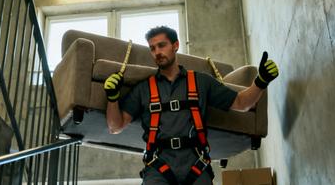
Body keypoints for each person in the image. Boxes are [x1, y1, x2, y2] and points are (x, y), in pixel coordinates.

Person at [104, 26, 279, 185]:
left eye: (162, 45)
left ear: (176, 45)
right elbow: (115, 126)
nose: (157, 52)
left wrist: (261, 81)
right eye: (152, 48)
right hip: (158, 165)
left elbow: (241, 103)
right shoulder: (143, 89)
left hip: (196, 163)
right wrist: (112, 97)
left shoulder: (201, 82)